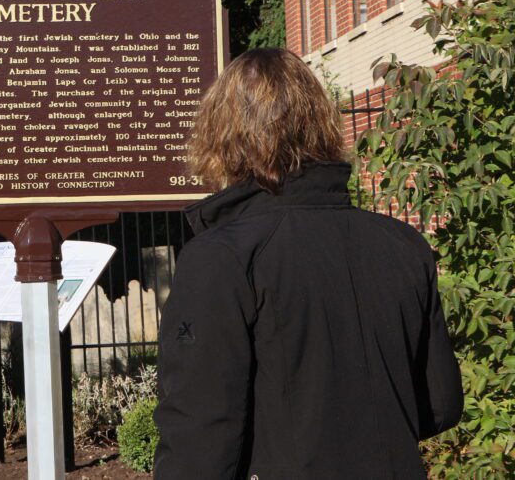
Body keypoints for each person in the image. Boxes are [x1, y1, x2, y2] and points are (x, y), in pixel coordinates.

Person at [153, 49, 463, 479]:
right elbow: (440, 405)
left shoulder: (223, 257)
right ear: (321, 124)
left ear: (220, 135)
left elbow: (198, 435)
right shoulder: (401, 243)